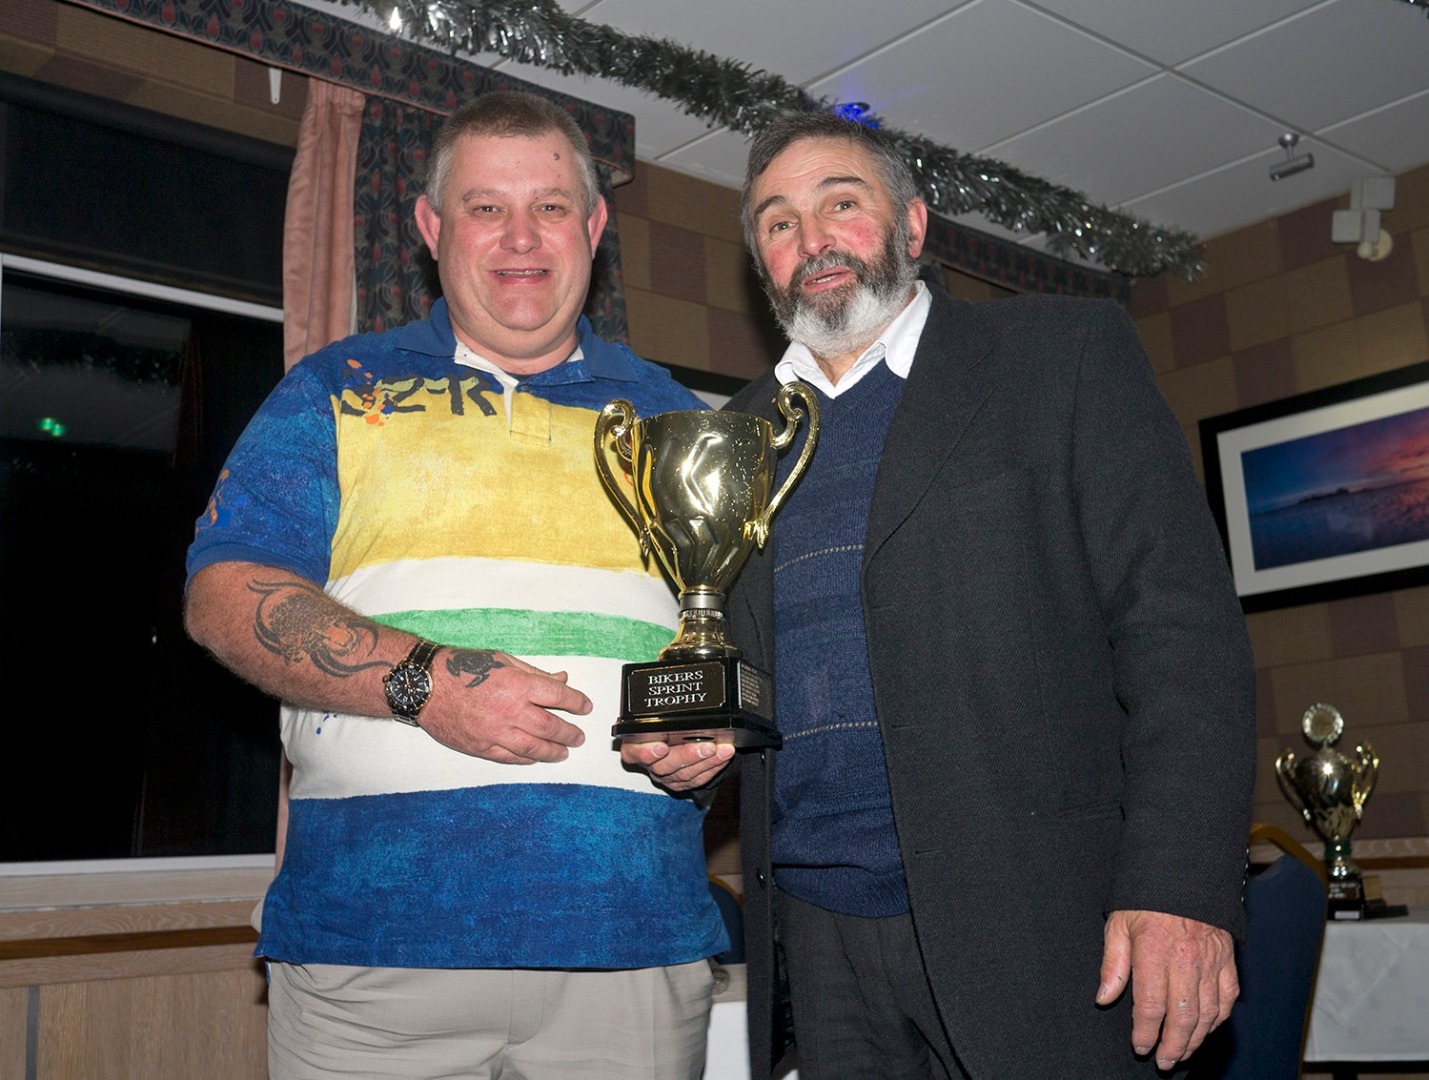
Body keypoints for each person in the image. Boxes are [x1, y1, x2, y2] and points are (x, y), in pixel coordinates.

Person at [624, 112, 1256, 1079]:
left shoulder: (1060, 355)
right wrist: (701, 746)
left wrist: (1181, 886)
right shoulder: (737, 436)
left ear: (913, 224)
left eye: (841, 204)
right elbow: (752, 672)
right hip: (820, 941)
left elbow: (1181, 635)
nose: (812, 239)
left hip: (1049, 926)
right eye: (778, 223)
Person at [185, 90, 725, 1080]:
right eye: (485, 207)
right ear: (432, 229)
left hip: (634, 939)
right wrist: (423, 684)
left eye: (550, 207)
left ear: (593, 227)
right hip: (370, 948)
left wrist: (711, 728)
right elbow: (225, 594)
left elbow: (728, 633)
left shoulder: (681, 419)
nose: (520, 237)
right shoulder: (336, 388)